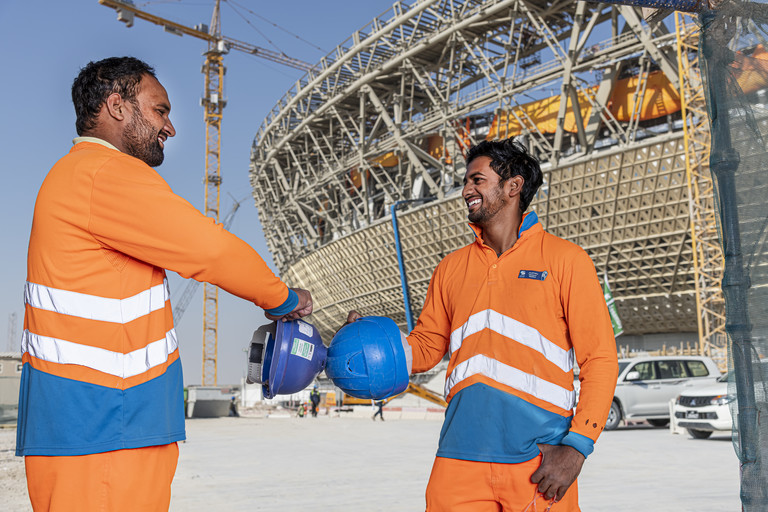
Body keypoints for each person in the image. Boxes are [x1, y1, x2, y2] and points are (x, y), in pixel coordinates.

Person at [16, 56, 313, 511]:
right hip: (106, 431)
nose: (170, 127)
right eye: (160, 110)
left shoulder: (78, 178)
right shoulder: (103, 175)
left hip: (102, 426)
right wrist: (282, 298)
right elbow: (209, 249)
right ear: (117, 106)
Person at [346, 138, 618, 511]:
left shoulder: (566, 260)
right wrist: (375, 346)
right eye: (466, 181)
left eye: (477, 180)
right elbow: (426, 345)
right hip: (459, 457)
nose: (466, 190)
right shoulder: (451, 268)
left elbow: (600, 360)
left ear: (513, 186)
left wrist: (577, 447)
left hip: (538, 461)